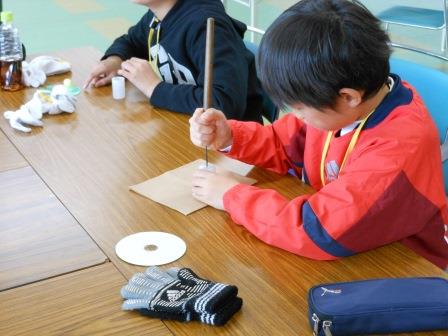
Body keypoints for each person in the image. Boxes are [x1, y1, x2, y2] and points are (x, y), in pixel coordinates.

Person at [189, 0, 448, 269]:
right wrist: (231, 136)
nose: (294, 115)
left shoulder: (397, 148)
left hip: (402, 266)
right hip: (352, 239)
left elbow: (318, 231)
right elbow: (283, 143)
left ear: (348, 96)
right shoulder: (339, 105)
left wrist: (232, 196)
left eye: (299, 108)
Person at [84, 0, 263, 123]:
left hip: (230, 147)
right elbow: (131, 41)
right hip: (190, 127)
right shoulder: (158, 15)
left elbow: (223, 103)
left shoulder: (206, 25)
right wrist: (115, 60)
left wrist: (154, 88)